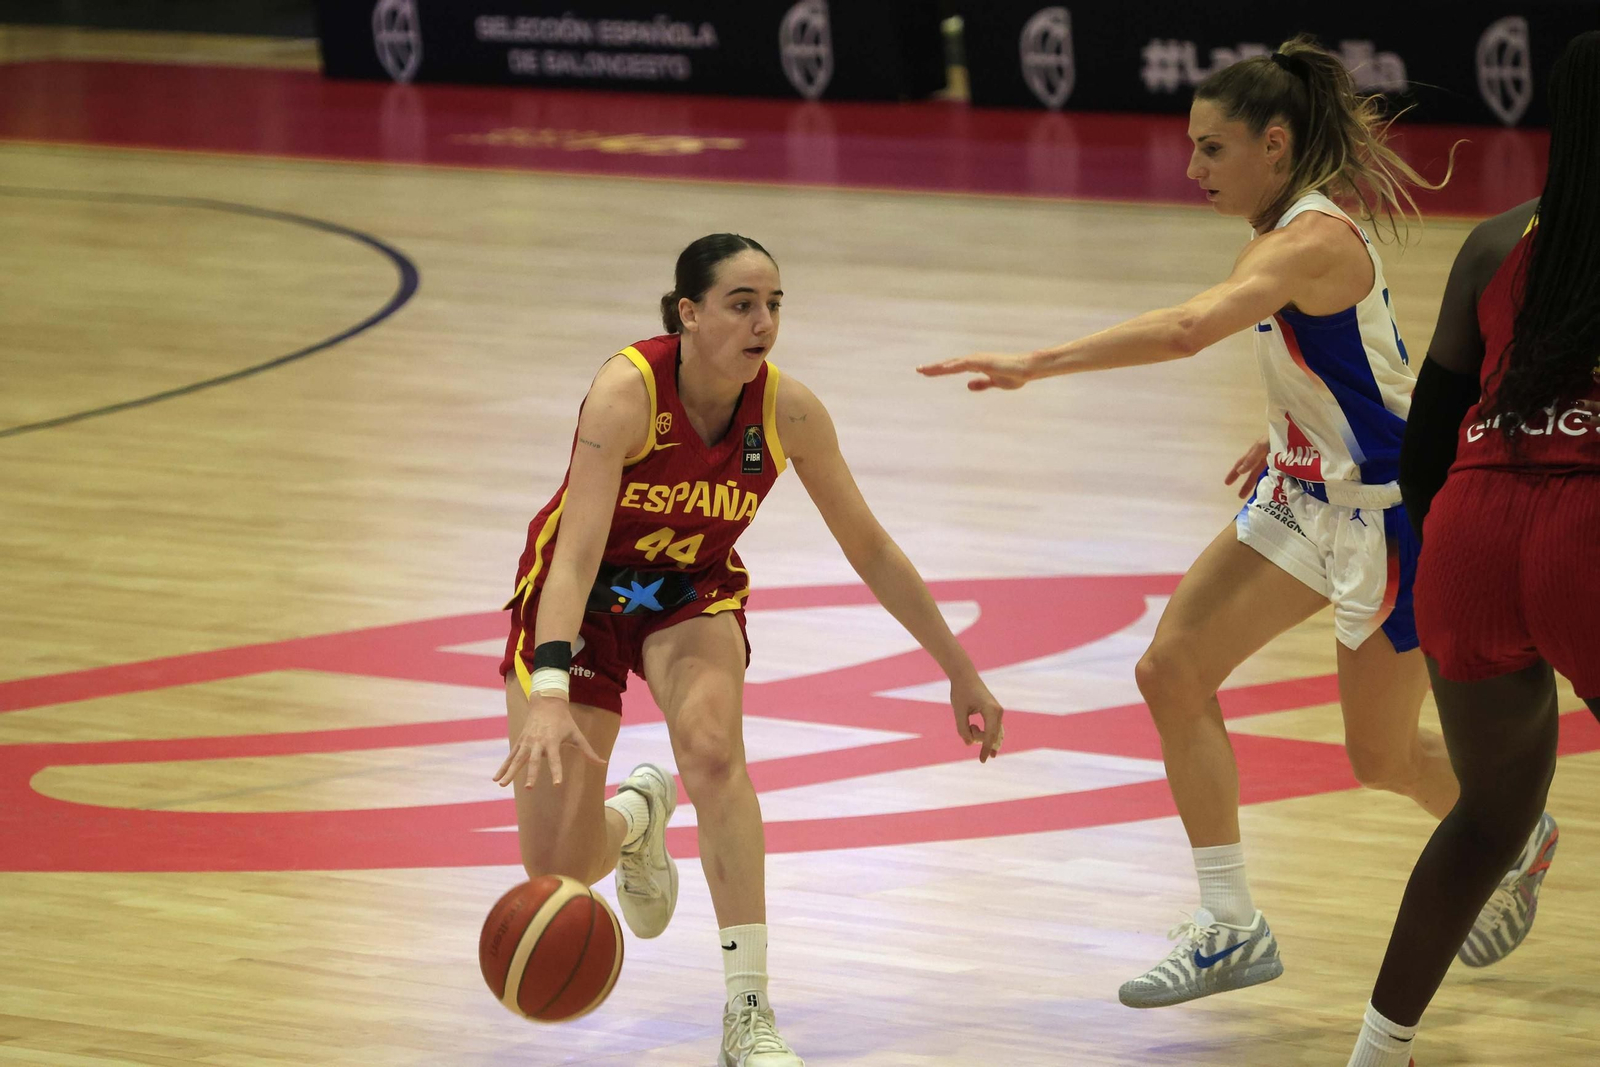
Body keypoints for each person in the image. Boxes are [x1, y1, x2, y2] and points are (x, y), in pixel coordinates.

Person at [919, 35, 1554, 1009]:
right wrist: (1291, 427)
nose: (1191, 168)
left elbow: (1187, 330)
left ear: (1273, 142)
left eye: (1211, 148)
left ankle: (1510, 826)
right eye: (1191, 146)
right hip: (1303, 492)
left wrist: (1033, 362)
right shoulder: (1278, 228)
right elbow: (1349, 361)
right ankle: (1230, 923)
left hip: (1384, 519)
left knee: (1377, 757)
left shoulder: (1311, 238)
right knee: (1167, 667)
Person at [493, 233, 1005, 1067]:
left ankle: (749, 1009)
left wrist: (959, 668)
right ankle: (634, 818)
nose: (763, 322)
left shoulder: (788, 411)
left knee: (713, 749)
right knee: (557, 869)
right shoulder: (625, 393)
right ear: (688, 314)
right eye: (741, 304)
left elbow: (871, 548)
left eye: (774, 305)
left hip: (687, 590)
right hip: (580, 599)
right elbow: (577, 553)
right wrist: (548, 688)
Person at [1346, 31, 1600, 1067]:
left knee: (1486, 819)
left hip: (1470, 531)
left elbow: (1424, 443)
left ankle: (1375, 1050)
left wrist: (1467, 545)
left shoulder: (1498, 239)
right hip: (1587, 529)